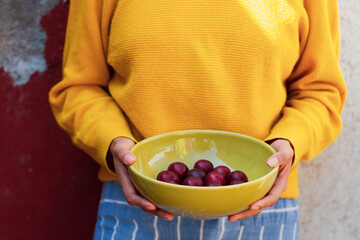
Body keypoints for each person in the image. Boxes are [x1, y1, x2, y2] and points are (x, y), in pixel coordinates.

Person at [49, 0, 346, 239]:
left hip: (261, 211)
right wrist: (113, 142)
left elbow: (322, 92)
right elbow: (79, 88)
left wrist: (289, 143)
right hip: (138, 206)